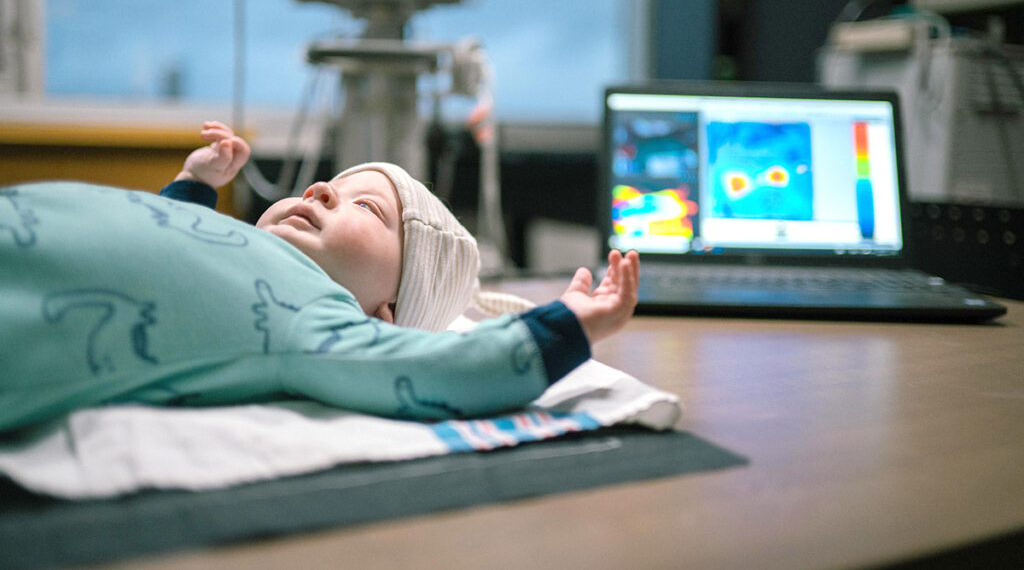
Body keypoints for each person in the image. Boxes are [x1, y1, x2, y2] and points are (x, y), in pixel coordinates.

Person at [0, 122, 639, 433]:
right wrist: (194, 187)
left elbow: (450, 367)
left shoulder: (312, 313)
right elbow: (164, 250)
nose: (321, 190)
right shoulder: (244, 242)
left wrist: (564, 329)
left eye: (367, 208)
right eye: (330, 183)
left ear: (382, 315)